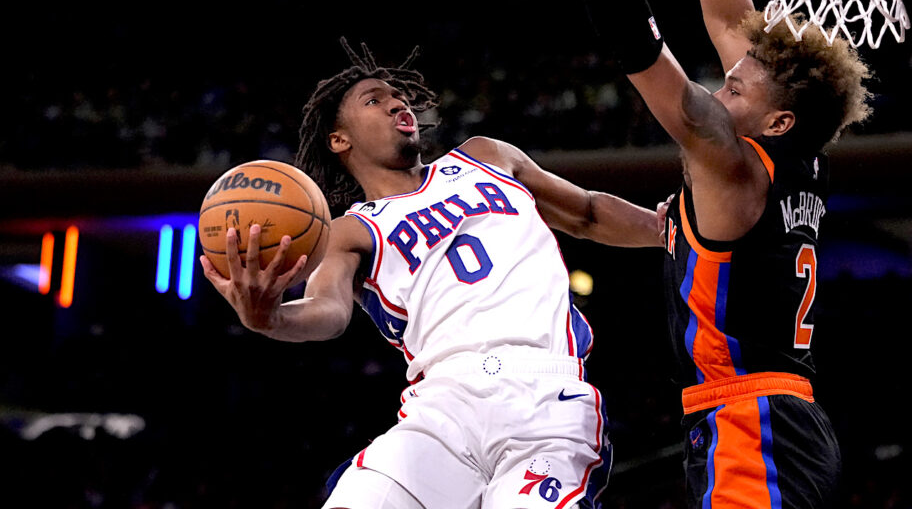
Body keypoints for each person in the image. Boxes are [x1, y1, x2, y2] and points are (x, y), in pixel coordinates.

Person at [502, 0, 873, 508]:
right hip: (769, 418)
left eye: (738, 86)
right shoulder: (791, 157)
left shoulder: (731, 166)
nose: (722, 82)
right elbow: (736, 22)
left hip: (753, 422)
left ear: (776, 121)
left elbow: (631, 39)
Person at [200, 38, 661, 509]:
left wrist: (670, 231)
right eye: (374, 99)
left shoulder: (486, 157)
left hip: (543, 397)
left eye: (397, 95)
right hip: (439, 410)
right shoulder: (350, 231)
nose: (396, 101)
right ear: (340, 140)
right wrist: (270, 318)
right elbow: (329, 309)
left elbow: (585, 211)